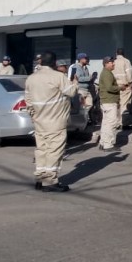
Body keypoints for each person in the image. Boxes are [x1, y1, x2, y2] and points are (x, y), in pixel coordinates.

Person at [25, 51, 78, 192]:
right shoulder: (58, 77)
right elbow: (71, 92)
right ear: (54, 63)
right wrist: (75, 83)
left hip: (39, 121)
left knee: (41, 150)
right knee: (54, 151)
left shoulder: (31, 78)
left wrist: (34, 116)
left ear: (40, 62)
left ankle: (40, 179)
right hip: (55, 121)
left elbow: (28, 101)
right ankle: (50, 182)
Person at [98, 56, 121, 152]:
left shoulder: (106, 73)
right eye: (111, 62)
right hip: (109, 102)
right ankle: (108, 145)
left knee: (106, 123)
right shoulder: (107, 73)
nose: (113, 64)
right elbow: (109, 88)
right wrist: (120, 87)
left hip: (106, 101)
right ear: (106, 63)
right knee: (111, 123)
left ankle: (103, 143)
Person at [113, 48, 132, 128]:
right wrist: (130, 84)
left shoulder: (113, 61)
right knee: (124, 105)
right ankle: (124, 124)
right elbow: (128, 74)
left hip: (115, 86)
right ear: (123, 53)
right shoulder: (126, 61)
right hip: (125, 86)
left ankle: (117, 123)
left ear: (116, 53)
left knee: (117, 105)